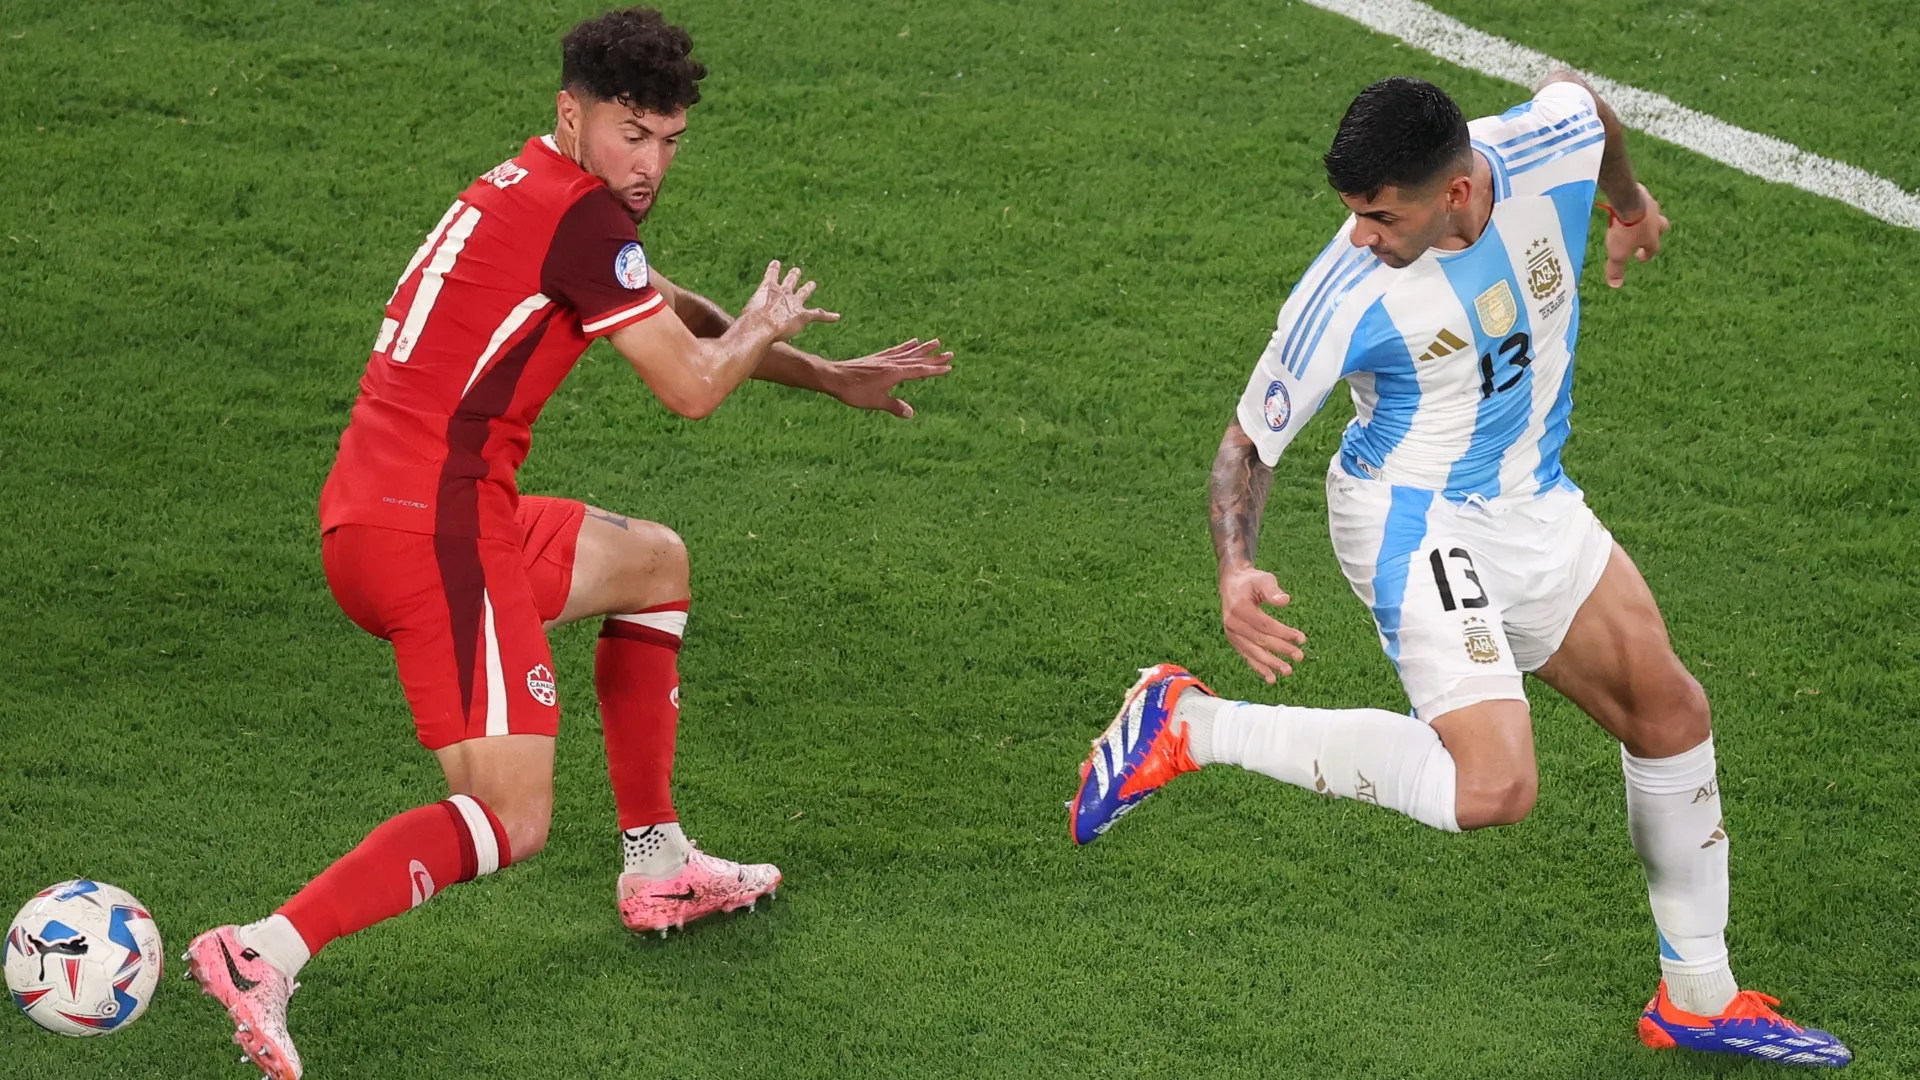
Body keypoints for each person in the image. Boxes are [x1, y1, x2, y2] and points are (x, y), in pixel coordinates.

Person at [182, 9, 951, 1077]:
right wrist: (766, 328)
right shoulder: (582, 225)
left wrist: (828, 377)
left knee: (653, 564)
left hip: (411, 506)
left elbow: (675, 311)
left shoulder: (538, 194)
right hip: (428, 532)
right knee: (512, 815)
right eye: (632, 134)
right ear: (572, 113)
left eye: (671, 141)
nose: (651, 165)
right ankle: (262, 950)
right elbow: (691, 385)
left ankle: (658, 860)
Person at [1070, 75, 1850, 1067]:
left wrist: (1629, 200)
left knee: (1670, 713)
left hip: (1530, 495)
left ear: (1453, 190)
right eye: (1351, 213)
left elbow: (1588, 108)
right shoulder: (1344, 293)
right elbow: (1245, 447)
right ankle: (1189, 724)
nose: (1359, 234)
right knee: (1495, 788)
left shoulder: (1544, 149)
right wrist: (1235, 571)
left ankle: (1697, 997)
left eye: (1378, 213)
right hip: (1413, 519)